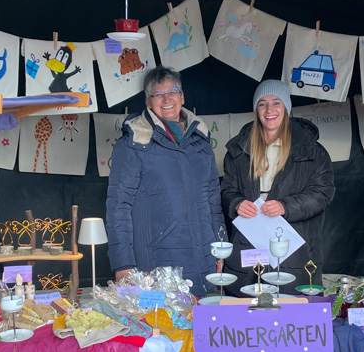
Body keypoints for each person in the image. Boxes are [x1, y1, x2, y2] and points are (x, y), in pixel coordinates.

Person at [106, 67, 224, 296]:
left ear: (182, 97)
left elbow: (213, 202)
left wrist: (221, 248)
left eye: (173, 92)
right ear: (148, 102)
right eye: (158, 94)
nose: (167, 99)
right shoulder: (134, 144)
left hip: (203, 259)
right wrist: (122, 263)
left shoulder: (201, 142)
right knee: (161, 318)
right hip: (156, 263)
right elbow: (118, 207)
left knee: (201, 317)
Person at [221, 80, 335, 292]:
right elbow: (226, 189)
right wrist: (236, 203)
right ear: (256, 109)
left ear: (287, 107)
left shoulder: (313, 151)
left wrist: (285, 206)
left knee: (290, 306)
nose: (269, 110)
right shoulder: (238, 150)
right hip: (249, 242)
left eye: (276, 102)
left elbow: (322, 193)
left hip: (294, 248)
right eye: (262, 103)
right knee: (246, 304)